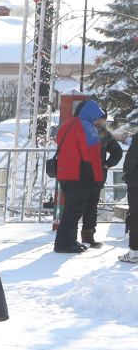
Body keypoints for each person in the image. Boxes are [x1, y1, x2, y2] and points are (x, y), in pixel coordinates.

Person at [52, 99, 111, 253]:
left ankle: (71, 241)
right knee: (73, 212)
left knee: (70, 210)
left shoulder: (67, 124)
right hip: (80, 175)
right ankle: (63, 244)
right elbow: (91, 156)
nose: (98, 120)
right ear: (91, 114)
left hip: (64, 173)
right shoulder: (87, 127)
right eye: (97, 117)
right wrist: (98, 178)